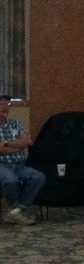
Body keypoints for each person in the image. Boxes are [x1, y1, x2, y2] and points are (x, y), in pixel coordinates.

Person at [0, 95, 46, 226]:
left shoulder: (15, 123)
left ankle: (17, 210)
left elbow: (28, 141)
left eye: (7, 104)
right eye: (1, 104)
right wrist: (18, 145)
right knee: (10, 180)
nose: (5, 107)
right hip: (1, 165)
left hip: (19, 165)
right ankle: (14, 210)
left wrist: (6, 144)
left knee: (39, 177)